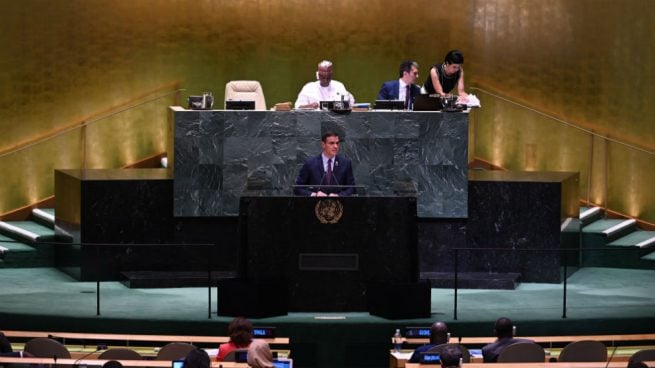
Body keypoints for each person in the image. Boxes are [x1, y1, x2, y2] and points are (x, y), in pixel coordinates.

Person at [294, 131, 355, 197]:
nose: (335, 146)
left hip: (338, 205)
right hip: (315, 204)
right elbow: (298, 188)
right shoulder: (310, 163)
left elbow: (351, 188)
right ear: (323, 145)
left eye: (337, 143)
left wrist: (339, 195)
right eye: (331, 143)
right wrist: (314, 195)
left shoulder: (345, 163)